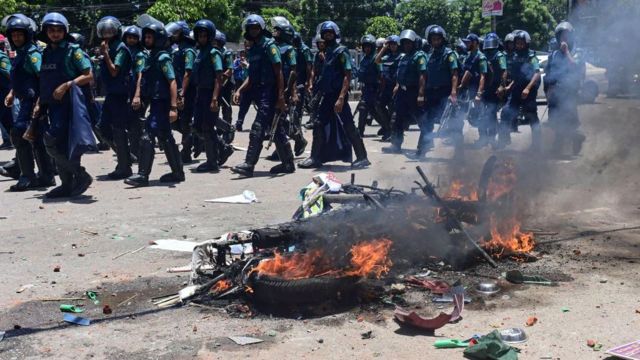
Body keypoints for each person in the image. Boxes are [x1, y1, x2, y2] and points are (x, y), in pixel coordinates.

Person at [36, 12, 94, 198]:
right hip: (52, 106)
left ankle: (80, 174)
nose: (54, 34)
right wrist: (40, 103)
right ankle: (66, 185)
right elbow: (44, 81)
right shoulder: (46, 52)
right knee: (59, 145)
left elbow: (89, 75)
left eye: (58, 30)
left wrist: (67, 85)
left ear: (65, 31)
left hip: (70, 106)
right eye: (51, 30)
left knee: (53, 142)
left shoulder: (73, 50)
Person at [298, 21, 370, 169]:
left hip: (338, 95)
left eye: (330, 32)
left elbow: (347, 75)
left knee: (349, 125)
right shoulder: (328, 52)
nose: (327, 35)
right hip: (328, 95)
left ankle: (362, 157)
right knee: (318, 124)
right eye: (325, 33)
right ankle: (315, 157)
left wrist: (342, 98)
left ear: (335, 34)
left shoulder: (341, 51)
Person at [231, 14, 295, 177]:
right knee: (277, 128)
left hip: (271, 92)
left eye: (256, 28)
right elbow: (252, 76)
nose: (253, 31)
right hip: (259, 92)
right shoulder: (253, 49)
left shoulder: (269, 46)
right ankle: (288, 163)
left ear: (261, 29)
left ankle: (249, 164)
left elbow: (278, 71)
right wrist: (240, 90)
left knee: (258, 127)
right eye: (251, 28)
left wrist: (281, 97)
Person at [125, 19, 183, 187]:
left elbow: (172, 81)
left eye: (150, 37)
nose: (146, 40)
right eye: (146, 37)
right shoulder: (151, 57)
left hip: (162, 104)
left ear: (158, 39)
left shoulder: (163, 57)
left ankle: (142, 175)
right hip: (155, 102)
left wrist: (173, 107)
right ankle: (178, 172)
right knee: (165, 137)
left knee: (147, 136)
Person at [4, 14, 56, 191]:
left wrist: (40, 103)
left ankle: (27, 176)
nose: (16, 38)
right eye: (14, 35)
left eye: (20, 34)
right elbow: (20, 78)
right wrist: (12, 93)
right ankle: (46, 176)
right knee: (37, 139)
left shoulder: (33, 54)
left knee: (19, 133)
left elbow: (43, 79)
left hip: (34, 101)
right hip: (26, 100)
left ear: (27, 35)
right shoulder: (21, 53)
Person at [95, 16, 134, 179]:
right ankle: (125, 156)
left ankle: (124, 166)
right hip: (111, 94)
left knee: (118, 130)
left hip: (121, 95)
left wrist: (105, 54)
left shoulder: (120, 48)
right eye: (104, 31)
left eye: (110, 31)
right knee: (101, 128)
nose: (107, 33)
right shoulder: (109, 47)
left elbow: (114, 71)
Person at [544, 21, 586, 156]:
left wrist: (567, 51)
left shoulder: (577, 52)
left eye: (567, 36)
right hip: (556, 92)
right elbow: (548, 73)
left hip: (569, 91)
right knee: (554, 120)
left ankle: (575, 138)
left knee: (568, 120)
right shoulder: (554, 54)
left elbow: (576, 67)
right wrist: (548, 90)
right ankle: (561, 144)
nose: (564, 39)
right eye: (561, 36)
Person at [382, 29, 426, 155]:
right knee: (397, 119)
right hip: (402, 92)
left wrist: (421, 94)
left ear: (414, 43)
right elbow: (400, 74)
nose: (406, 45)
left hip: (414, 92)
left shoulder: (419, 56)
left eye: (409, 43)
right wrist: (398, 85)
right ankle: (396, 145)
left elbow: (422, 75)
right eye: (405, 43)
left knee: (421, 120)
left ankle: (423, 147)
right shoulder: (404, 57)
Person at [268, 16, 306, 160]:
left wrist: (293, 91)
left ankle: (298, 141)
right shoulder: (272, 46)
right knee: (277, 121)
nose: (274, 32)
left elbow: (293, 72)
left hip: (287, 90)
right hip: (275, 88)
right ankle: (282, 149)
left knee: (283, 121)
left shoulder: (289, 49)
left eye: (277, 30)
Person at [189, 19, 224, 173]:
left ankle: (212, 162)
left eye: (204, 36)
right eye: (199, 35)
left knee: (207, 127)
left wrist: (215, 98)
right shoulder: (199, 52)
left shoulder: (213, 52)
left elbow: (219, 77)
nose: (202, 38)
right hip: (200, 92)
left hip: (210, 93)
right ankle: (223, 148)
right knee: (197, 126)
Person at [498, 30, 541, 151]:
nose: (519, 46)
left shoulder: (531, 57)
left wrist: (527, 88)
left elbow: (537, 73)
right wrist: (508, 87)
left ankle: (537, 144)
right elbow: (517, 78)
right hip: (517, 90)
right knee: (506, 112)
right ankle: (503, 141)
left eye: (522, 43)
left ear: (526, 44)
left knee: (531, 115)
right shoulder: (514, 58)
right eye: (517, 43)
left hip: (529, 91)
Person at [420, 25, 459, 157]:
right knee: (426, 122)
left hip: (445, 93)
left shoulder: (449, 54)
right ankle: (422, 150)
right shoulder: (429, 55)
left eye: (438, 39)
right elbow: (426, 75)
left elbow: (454, 74)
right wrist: (423, 93)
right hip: (431, 93)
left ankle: (460, 152)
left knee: (453, 123)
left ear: (442, 39)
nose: (435, 41)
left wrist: (453, 92)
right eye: (433, 39)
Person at [165, 20, 197, 164]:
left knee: (185, 122)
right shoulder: (177, 48)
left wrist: (182, 93)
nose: (173, 35)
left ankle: (186, 152)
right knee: (175, 122)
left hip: (188, 90)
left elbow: (187, 73)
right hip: (179, 89)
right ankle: (196, 140)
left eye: (176, 32)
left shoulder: (189, 50)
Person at [458, 33, 488, 145]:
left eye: (468, 42)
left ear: (475, 43)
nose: (466, 44)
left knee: (481, 116)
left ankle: (485, 140)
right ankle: (483, 138)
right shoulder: (470, 56)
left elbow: (483, 76)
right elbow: (467, 72)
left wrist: (479, 94)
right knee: (474, 116)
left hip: (478, 91)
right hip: (470, 91)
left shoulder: (481, 57)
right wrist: (461, 85)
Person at [478, 32, 507, 148]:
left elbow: (504, 71)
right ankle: (483, 137)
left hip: (495, 90)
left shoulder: (499, 55)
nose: (489, 46)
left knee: (491, 114)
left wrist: (501, 86)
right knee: (481, 114)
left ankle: (492, 138)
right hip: (485, 89)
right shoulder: (484, 55)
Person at [356, 34, 388, 138]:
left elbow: (382, 75)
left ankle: (387, 128)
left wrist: (381, 90)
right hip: (366, 88)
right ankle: (360, 131)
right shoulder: (364, 59)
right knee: (366, 109)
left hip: (375, 88)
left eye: (368, 46)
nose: (367, 48)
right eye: (365, 46)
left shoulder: (376, 58)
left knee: (375, 110)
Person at [121, 25, 144, 161]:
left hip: (136, 90)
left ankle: (137, 151)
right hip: (125, 90)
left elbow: (140, 74)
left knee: (135, 124)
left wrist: (137, 95)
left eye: (134, 38)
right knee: (128, 123)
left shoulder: (140, 54)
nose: (131, 40)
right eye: (129, 37)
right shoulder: (123, 51)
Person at [375, 35, 401, 142]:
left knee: (393, 111)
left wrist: (398, 85)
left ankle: (393, 134)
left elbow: (401, 73)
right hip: (386, 88)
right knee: (379, 106)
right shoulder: (387, 57)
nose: (392, 46)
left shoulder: (401, 56)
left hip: (395, 87)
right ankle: (388, 129)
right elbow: (377, 60)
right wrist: (384, 48)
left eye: (394, 44)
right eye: (391, 44)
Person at [213, 30, 235, 143]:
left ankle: (228, 130)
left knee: (226, 107)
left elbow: (230, 70)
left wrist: (221, 80)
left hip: (226, 84)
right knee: (214, 108)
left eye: (215, 41)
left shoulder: (227, 52)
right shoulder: (212, 52)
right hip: (215, 84)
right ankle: (217, 133)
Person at [292, 32, 312, 143]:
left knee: (297, 112)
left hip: (301, 82)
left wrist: (308, 82)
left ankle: (299, 139)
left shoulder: (305, 50)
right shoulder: (294, 49)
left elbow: (309, 67)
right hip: (294, 82)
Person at [233, 43, 251, 131]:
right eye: (245, 46)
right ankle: (239, 123)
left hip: (256, 84)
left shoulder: (255, 54)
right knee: (243, 105)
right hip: (245, 83)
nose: (247, 48)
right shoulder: (240, 59)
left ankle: (267, 127)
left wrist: (247, 65)